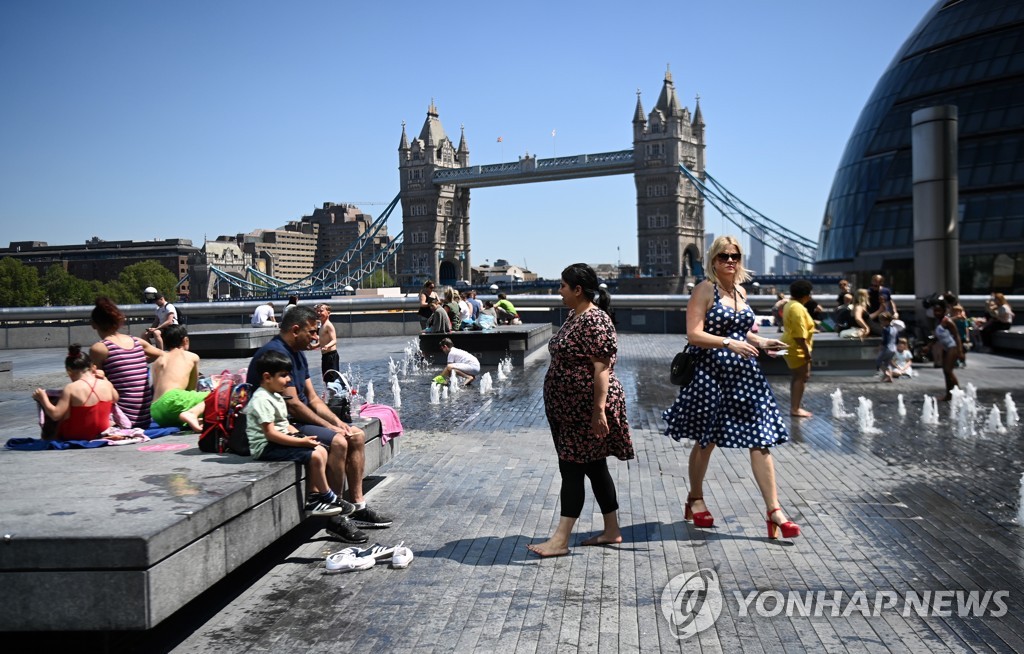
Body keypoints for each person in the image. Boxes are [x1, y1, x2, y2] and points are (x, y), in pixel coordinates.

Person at [663, 237, 800, 540]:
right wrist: (728, 343)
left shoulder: (740, 291)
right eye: (724, 256)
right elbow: (694, 334)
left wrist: (762, 342)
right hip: (710, 375)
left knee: (760, 439)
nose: (730, 261)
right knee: (706, 440)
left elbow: (741, 332)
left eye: (735, 256)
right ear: (713, 260)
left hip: (745, 375)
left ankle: (774, 511)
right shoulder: (704, 289)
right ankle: (695, 498)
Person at [246, 306, 392, 544]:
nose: (316, 337)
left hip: (299, 419)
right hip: (287, 424)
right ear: (295, 330)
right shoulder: (275, 354)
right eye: (312, 332)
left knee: (353, 434)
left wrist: (337, 422)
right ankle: (335, 519)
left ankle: (356, 506)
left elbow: (312, 398)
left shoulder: (298, 353)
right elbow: (293, 406)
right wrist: (331, 429)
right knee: (337, 441)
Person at [528, 263, 634, 557]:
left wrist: (598, 411)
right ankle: (612, 530)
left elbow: (602, 370)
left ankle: (560, 540)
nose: (558, 291)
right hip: (569, 410)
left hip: (584, 410)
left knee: (571, 467)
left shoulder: (595, 321)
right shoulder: (575, 316)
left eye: (563, 286)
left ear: (577, 289)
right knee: (594, 466)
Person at [245, 350, 355, 517]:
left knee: (321, 449)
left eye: (289, 375)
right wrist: (301, 443)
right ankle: (321, 498)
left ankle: (320, 495)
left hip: (277, 441)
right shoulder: (261, 399)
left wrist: (300, 436)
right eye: (283, 375)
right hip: (265, 447)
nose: (289, 380)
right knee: (316, 455)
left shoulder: (274, 395)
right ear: (267, 377)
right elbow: (271, 434)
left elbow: (284, 424)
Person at [89, 297, 162, 428]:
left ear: (93, 324)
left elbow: (93, 382)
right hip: (144, 418)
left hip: (122, 419)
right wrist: (138, 361)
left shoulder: (99, 348)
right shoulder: (136, 341)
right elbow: (162, 355)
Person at [33, 345, 119, 441]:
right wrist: (105, 378)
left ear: (69, 371)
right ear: (92, 367)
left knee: (62, 406)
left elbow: (55, 415)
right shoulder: (106, 384)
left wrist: (43, 398)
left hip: (76, 435)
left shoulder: (70, 388)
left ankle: (49, 437)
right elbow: (115, 398)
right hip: (102, 431)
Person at [149, 325, 208, 431]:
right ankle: (191, 414)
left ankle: (192, 418)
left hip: (156, 411)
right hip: (174, 400)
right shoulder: (191, 356)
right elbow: (191, 389)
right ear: (186, 340)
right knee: (215, 397)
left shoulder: (158, 361)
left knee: (182, 408)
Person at [781, 280, 816, 417]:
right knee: (801, 377)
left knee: (798, 377)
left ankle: (796, 405)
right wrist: (807, 353)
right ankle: (795, 408)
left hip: (791, 345)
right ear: (806, 295)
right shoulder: (798, 308)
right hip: (797, 347)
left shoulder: (789, 304)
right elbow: (799, 335)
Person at [932, 299, 964, 401]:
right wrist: (928, 346)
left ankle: (958, 392)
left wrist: (960, 351)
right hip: (946, 348)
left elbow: (956, 335)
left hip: (952, 347)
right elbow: (938, 337)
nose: (937, 313)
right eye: (935, 311)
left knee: (948, 370)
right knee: (945, 372)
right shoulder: (938, 321)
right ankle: (949, 394)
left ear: (944, 311)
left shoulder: (948, 321)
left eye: (939, 311)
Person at [314, 304, 339, 383]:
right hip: (325, 356)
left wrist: (327, 346)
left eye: (321, 311)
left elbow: (334, 340)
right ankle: (330, 394)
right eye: (317, 311)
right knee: (326, 378)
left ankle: (336, 394)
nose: (319, 313)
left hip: (331, 356)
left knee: (332, 379)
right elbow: (321, 341)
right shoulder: (322, 326)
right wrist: (312, 346)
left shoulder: (328, 325)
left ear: (328, 313)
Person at [876, 312, 898, 382]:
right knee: (887, 363)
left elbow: (885, 340)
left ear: (886, 321)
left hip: (887, 348)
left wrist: (880, 347)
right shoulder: (895, 329)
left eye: (881, 321)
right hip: (894, 348)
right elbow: (897, 340)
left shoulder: (885, 329)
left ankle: (887, 373)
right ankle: (889, 378)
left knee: (878, 361)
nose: (881, 322)